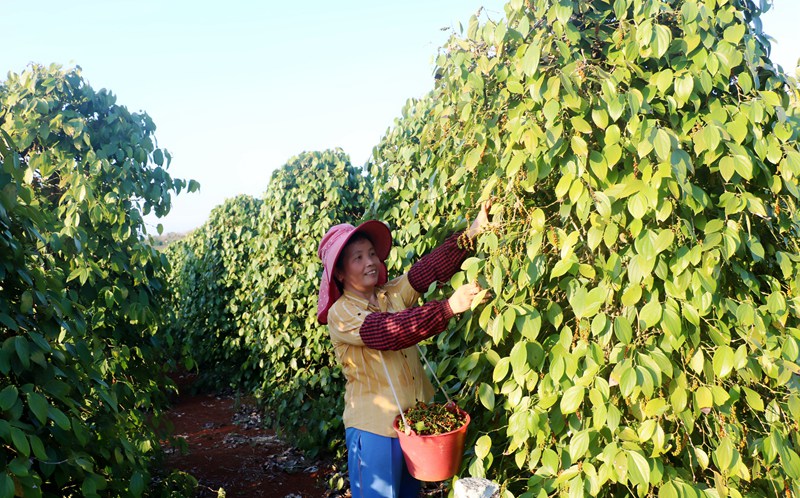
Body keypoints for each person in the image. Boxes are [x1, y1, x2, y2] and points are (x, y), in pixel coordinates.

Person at [316, 202, 491, 498]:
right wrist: (449, 307)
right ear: (341, 275)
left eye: (371, 253)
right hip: (374, 432)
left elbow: (427, 271)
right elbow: (385, 332)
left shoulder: (390, 293)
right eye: (357, 258)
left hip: (413, 428)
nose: (370, 261)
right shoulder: (341, 313)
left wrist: (472, 233)